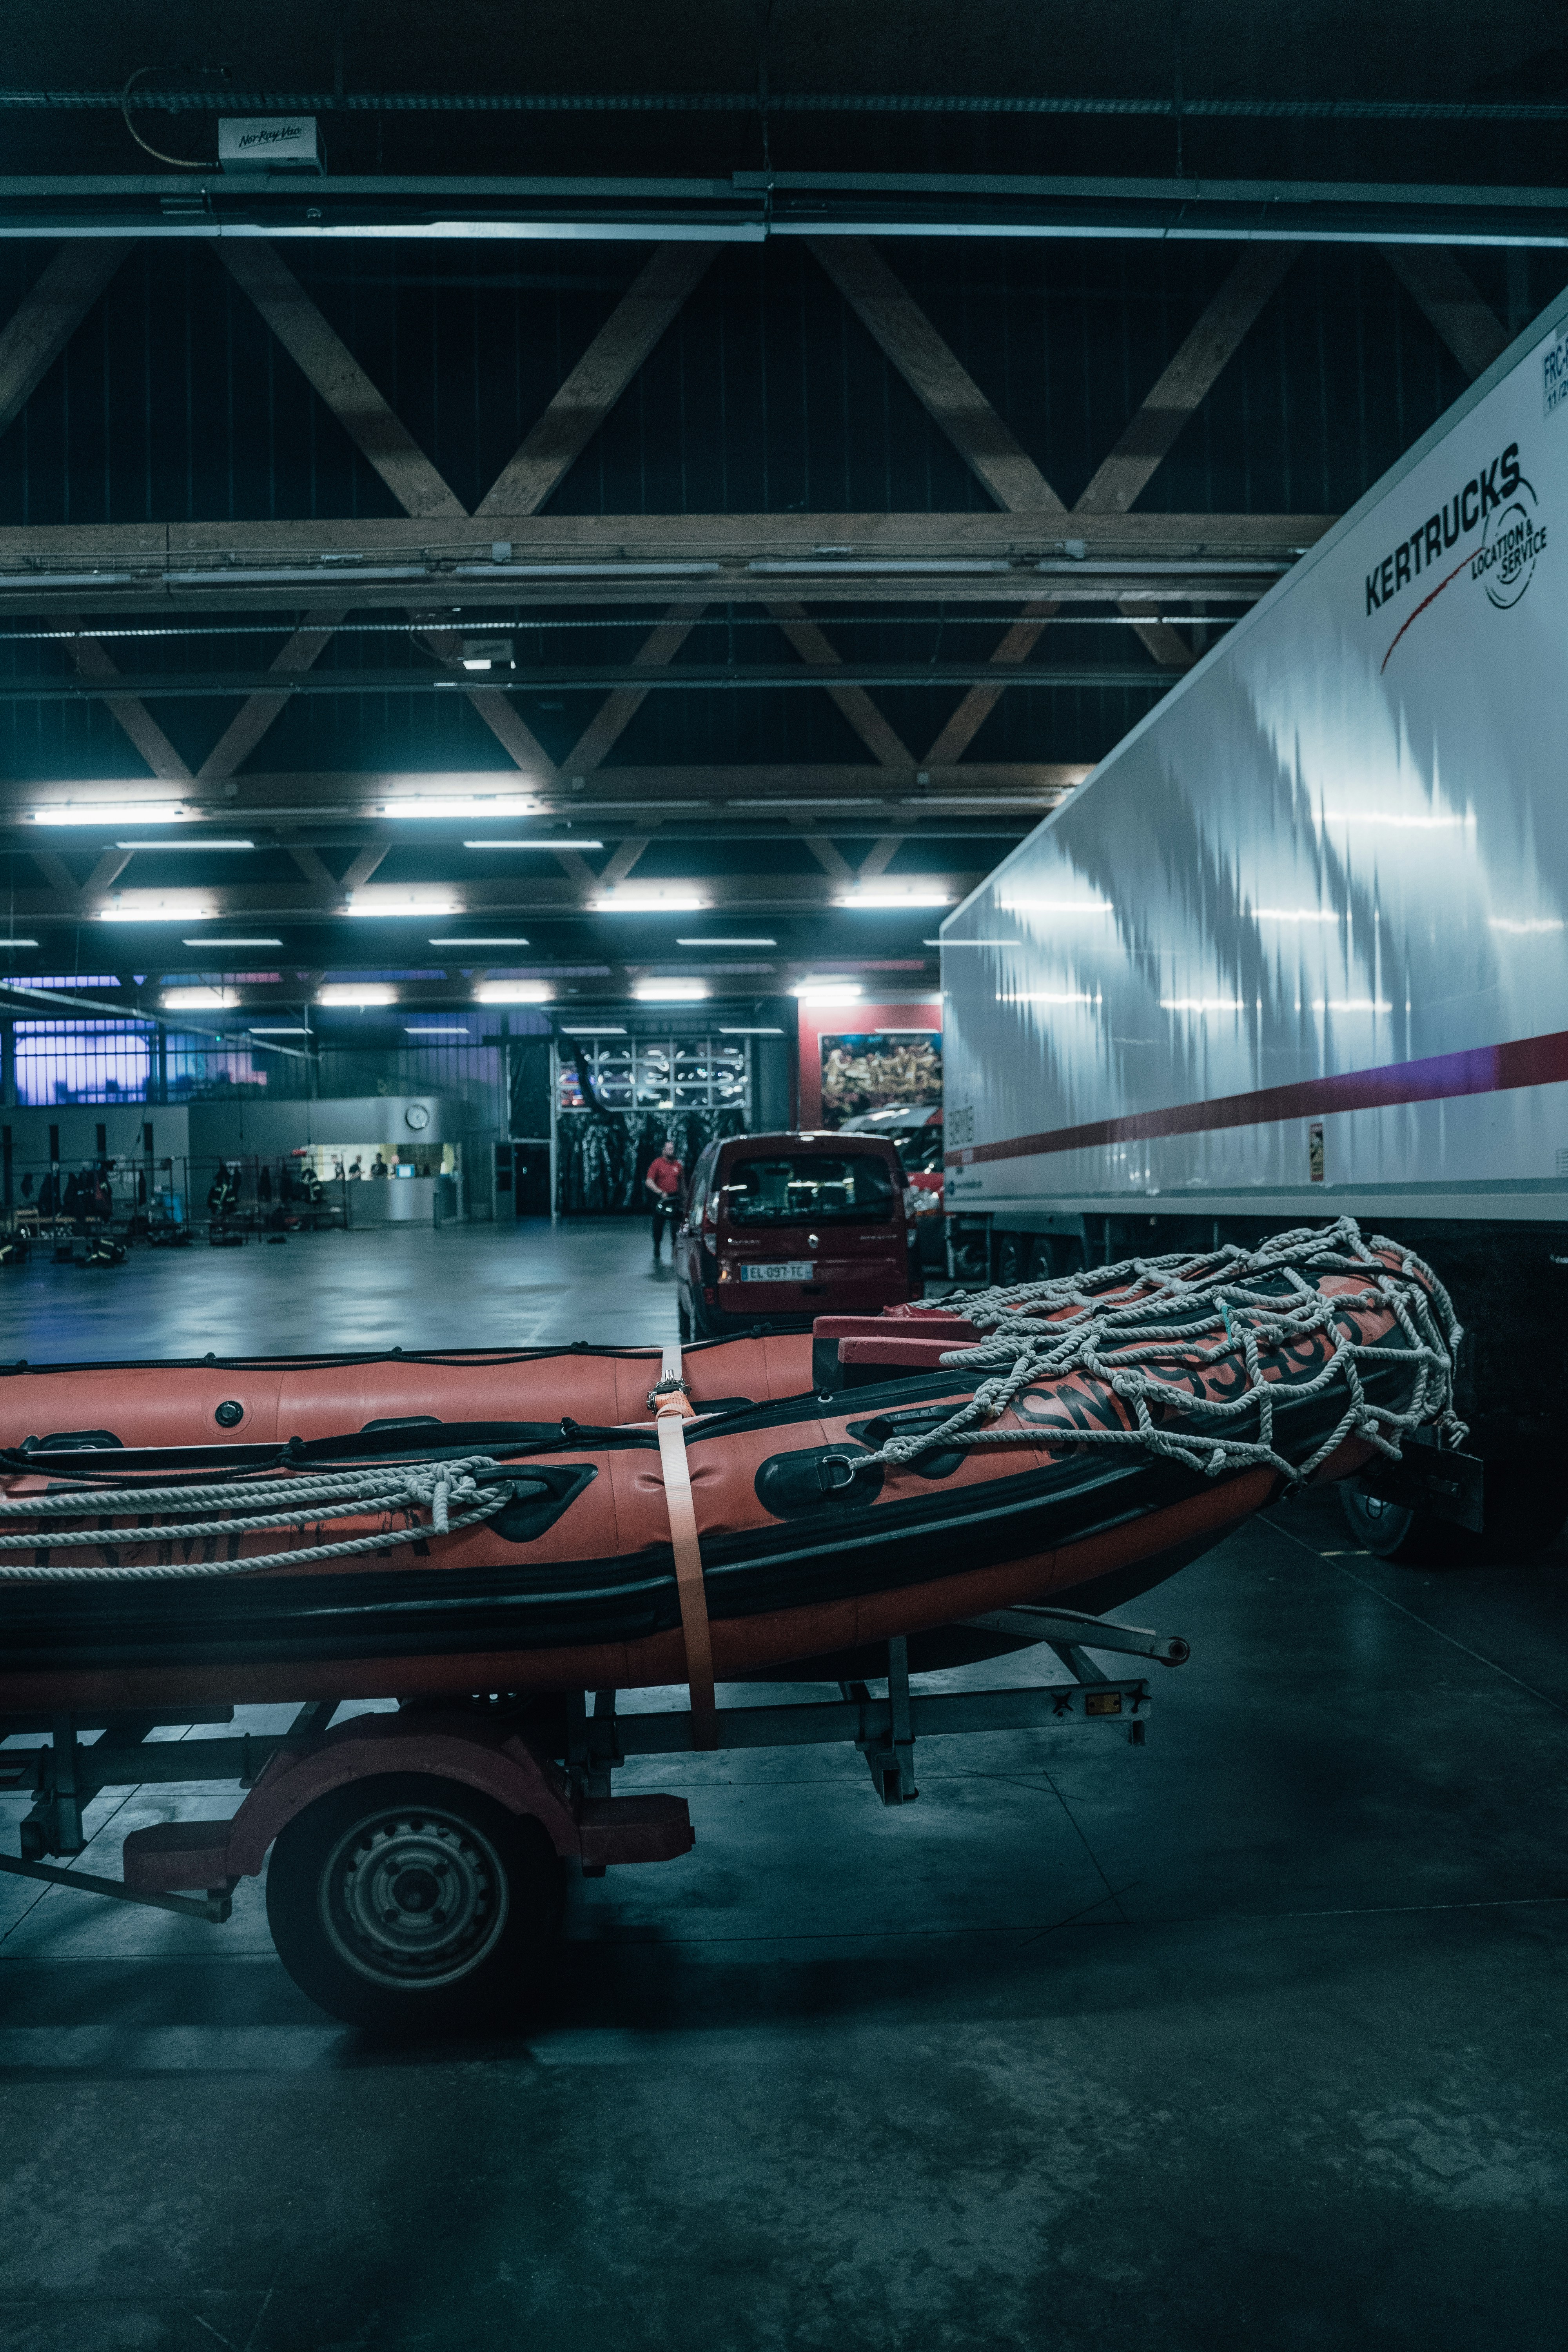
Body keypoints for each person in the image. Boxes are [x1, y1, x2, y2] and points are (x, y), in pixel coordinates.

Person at [644, 1136, 684, 1260]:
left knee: (676, 1227)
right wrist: (660, 1192)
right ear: (664, 1150)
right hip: (661, 1199)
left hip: (674, 1199)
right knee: (658, 1226)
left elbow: (682, 1184)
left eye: (673, 1149)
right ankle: (657, 1247)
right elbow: (649, 1182)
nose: (671, 1151)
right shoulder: (657, 1164)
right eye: (669, 1149)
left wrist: (685, 1199)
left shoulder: (678, 1165)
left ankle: (674, 1250)